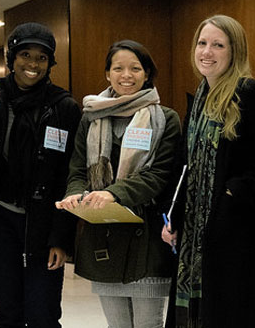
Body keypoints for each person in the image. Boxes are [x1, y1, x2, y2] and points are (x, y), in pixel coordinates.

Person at [161, 15, 255, 327]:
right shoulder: (199, 100)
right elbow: (184, 169)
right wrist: (173, 218)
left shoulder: (254, 95)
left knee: (231, 311)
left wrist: (231, 194)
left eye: (218, 45)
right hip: (195, 235)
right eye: (202, 43)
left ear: (235, 51)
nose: (207, 52)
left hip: (235, 233)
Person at [0, 22, 81, 328]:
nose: (32, 64)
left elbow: (70, 175)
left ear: (50, 63)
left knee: (44, 315)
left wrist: (62, 239)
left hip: (45, 224)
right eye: (25, 54)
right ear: (11, 57)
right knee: (7, 313)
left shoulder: (64, 108)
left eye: (41, 57)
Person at [57, 40, 180, 328]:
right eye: (119, 68)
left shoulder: (165, 118)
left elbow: (159, 175)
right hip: (105, 236)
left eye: (135, 68)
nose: (127, 75)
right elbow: (77, 169)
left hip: (146, 237)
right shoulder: (91, 118)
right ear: (107, 74)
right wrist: (75, 195)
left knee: (148, 324)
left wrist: (113, 194)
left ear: (147, 74)